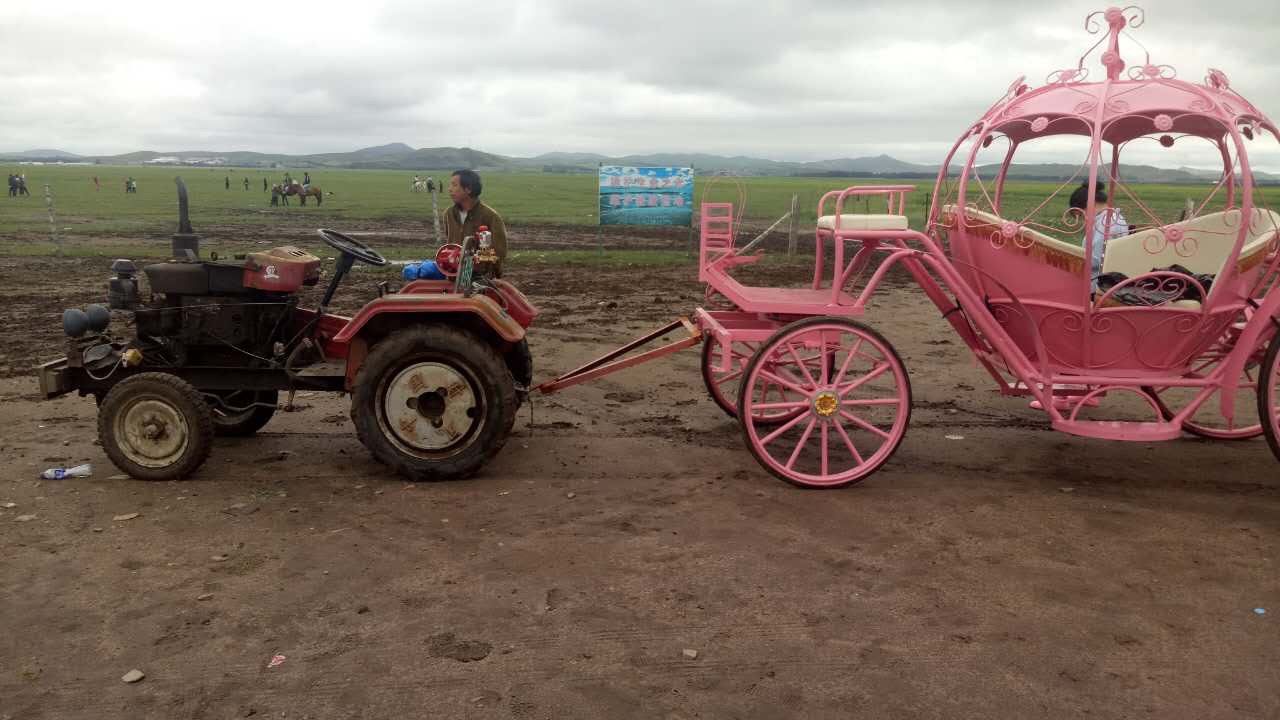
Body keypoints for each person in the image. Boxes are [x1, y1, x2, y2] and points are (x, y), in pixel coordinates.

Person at [441, 169, 509, 274]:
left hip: (482, 278)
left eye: (454, 185)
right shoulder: (449, 214)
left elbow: (499, 253)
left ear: (468, 189)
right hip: (454, 275)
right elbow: (449, 243)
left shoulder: (491, 217)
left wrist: (473, 260)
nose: (449, 189)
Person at [1069, 181, 1127, 280]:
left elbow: (1097, 260)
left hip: (1099, 283)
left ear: (1091, 203)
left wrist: (1070, 259)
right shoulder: (1104, 219)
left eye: (1081, 214)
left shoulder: (1107, 223)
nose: (1083, 219)